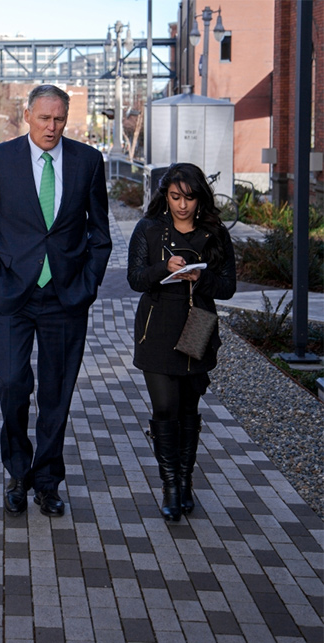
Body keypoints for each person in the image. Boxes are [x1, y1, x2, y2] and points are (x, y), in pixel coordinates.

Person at [0, 85, 112, 518]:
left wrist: (87, 285)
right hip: (13, 296)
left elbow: (99, 234)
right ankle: (17, 472)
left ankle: (47, 481)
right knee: (13, 384)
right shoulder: (0, 159)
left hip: (66, 298)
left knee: (57, 394)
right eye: (44, 118)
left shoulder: (88, 161)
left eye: (59, 120)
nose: (52, 127)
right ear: (27, 115)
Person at [127, 163, 236, 522]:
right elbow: (135, 279)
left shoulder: (215, 233)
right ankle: (170, 485)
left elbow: (228, 287)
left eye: (189, 197)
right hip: (157, 327)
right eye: (175, 197)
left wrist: (199, 278)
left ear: (199, 197)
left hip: (198, 325)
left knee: (188, 408)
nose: (182, 205)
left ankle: (186, 482)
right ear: (165, 196)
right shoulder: (149, 229)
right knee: (164, 408)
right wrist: (164, 269)